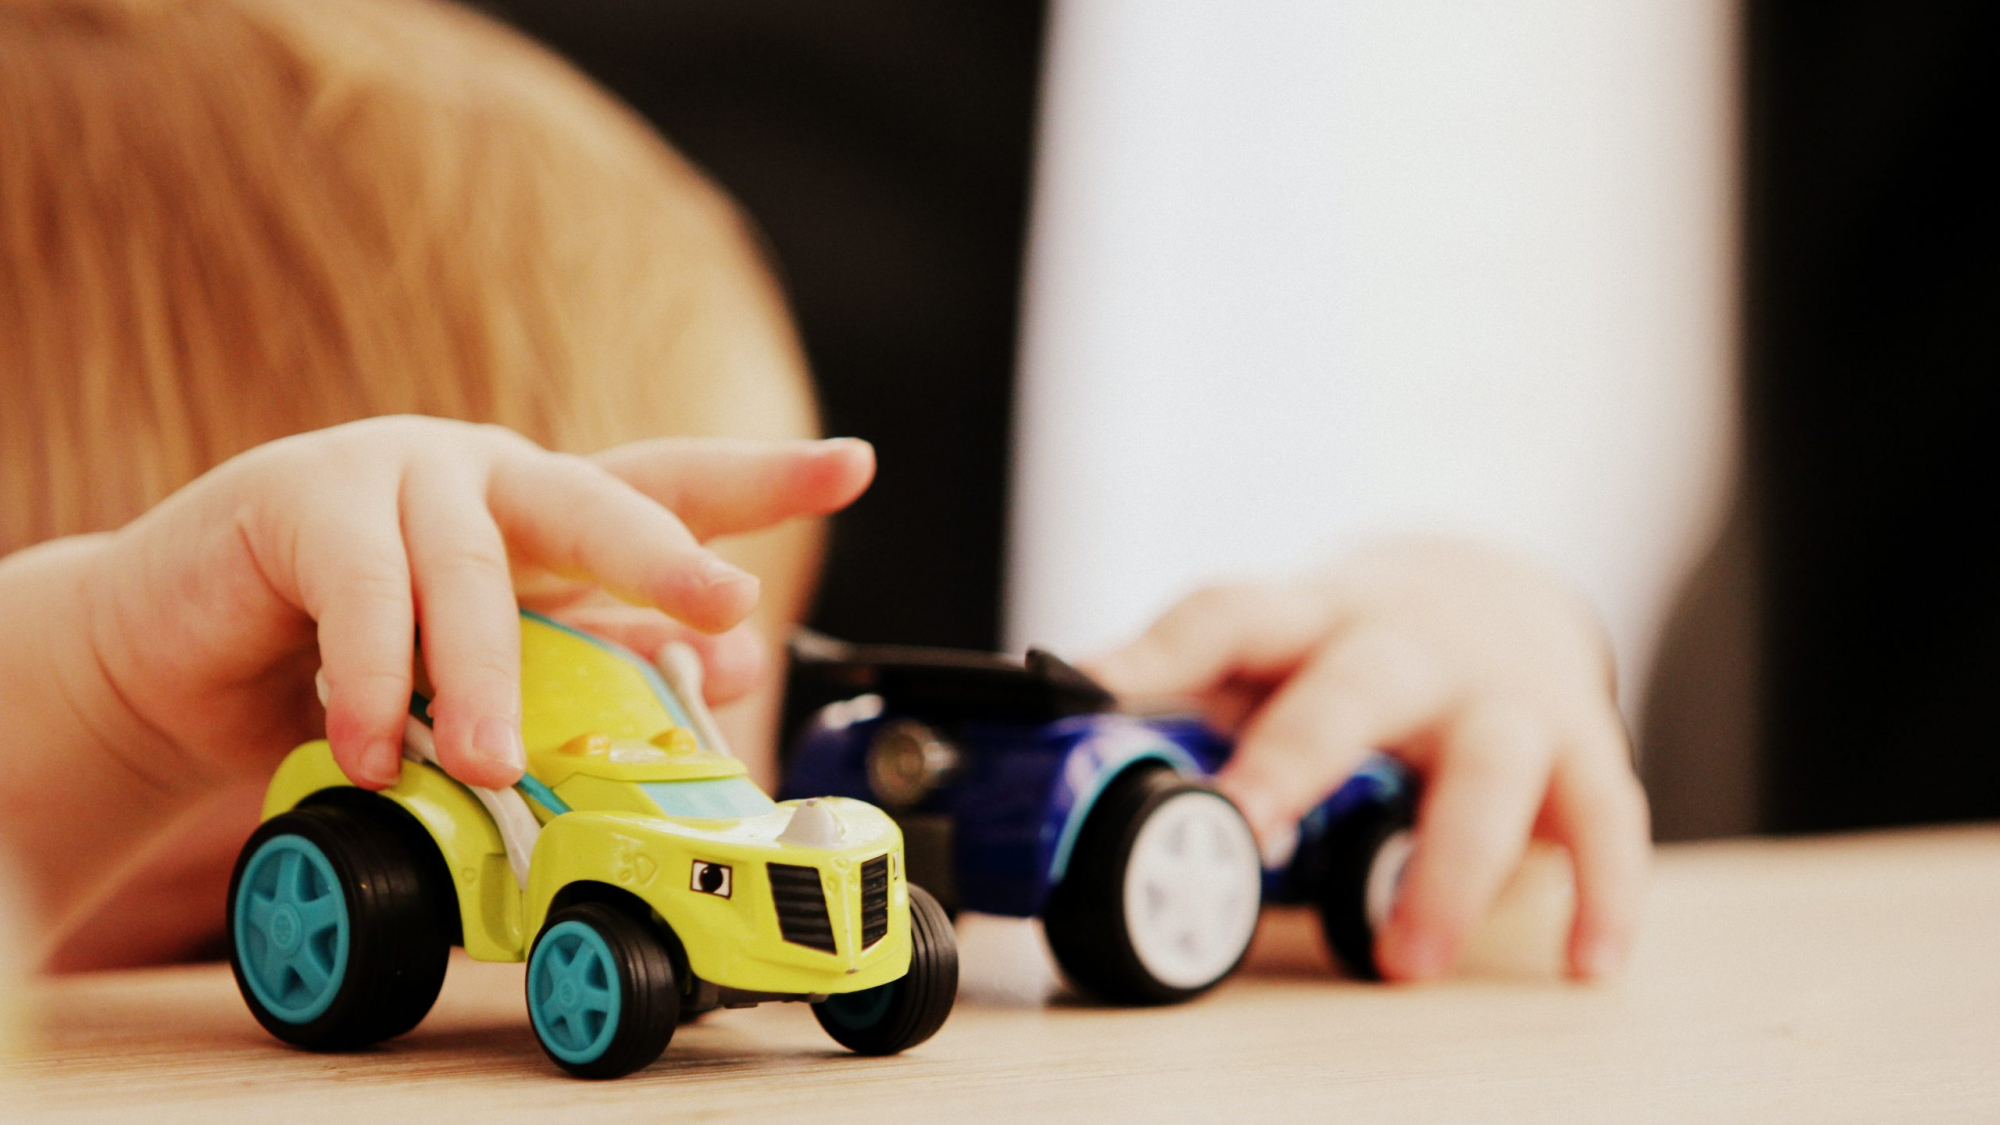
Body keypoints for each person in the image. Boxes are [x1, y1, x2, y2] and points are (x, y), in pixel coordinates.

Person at [0, 0, 1645, 986]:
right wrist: (95, 689)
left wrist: (1451, 633)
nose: (711, 714)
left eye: (691, 661)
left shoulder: (699, 760)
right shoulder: (100, 760)